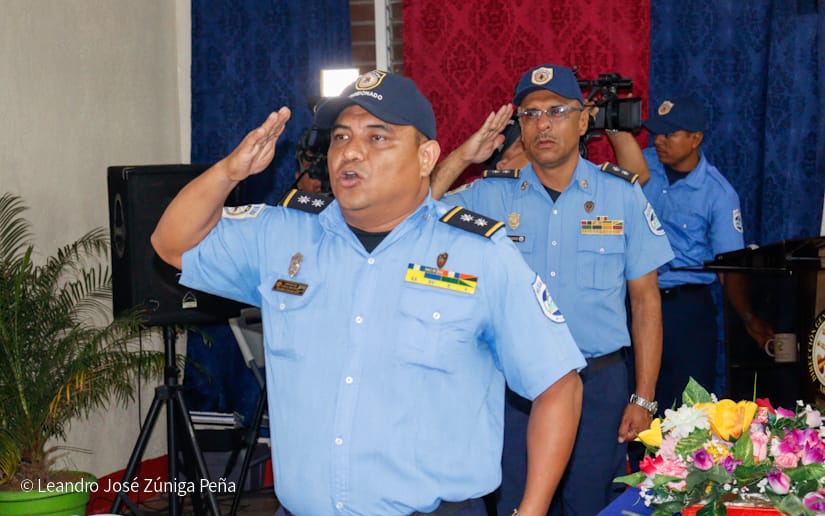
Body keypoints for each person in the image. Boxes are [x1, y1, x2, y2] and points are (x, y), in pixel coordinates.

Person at [151, 69, 587, 516]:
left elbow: (559, 385)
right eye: (341, 137)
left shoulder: (479, 254)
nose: (351, 152)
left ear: (426, 157)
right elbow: (171, 245)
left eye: (378, 137)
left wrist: (531, 511)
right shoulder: (282, 233)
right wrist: (228, 172)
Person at [430, 64, 675, 516]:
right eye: (530, 114)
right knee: (516, 503)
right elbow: (416, 213)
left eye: (557, 111)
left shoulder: (621, 195)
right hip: (517, 390)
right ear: (518, 128)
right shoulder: (491, 196)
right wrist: (464, 156)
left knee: (592, 504)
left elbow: (645, 302)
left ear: (584, 122)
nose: (543, 124)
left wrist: (643, 397)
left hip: (599, 383)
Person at [637, 96, 774, 411]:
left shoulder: (719, 194)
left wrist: (748, 319)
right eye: (656, 133)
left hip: (686, 309)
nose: (659, 141)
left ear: (695, 138)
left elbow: (730, 267)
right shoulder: (641, 167)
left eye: (669, 134)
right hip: (636, 302)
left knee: (687, 406)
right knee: (636, 400)